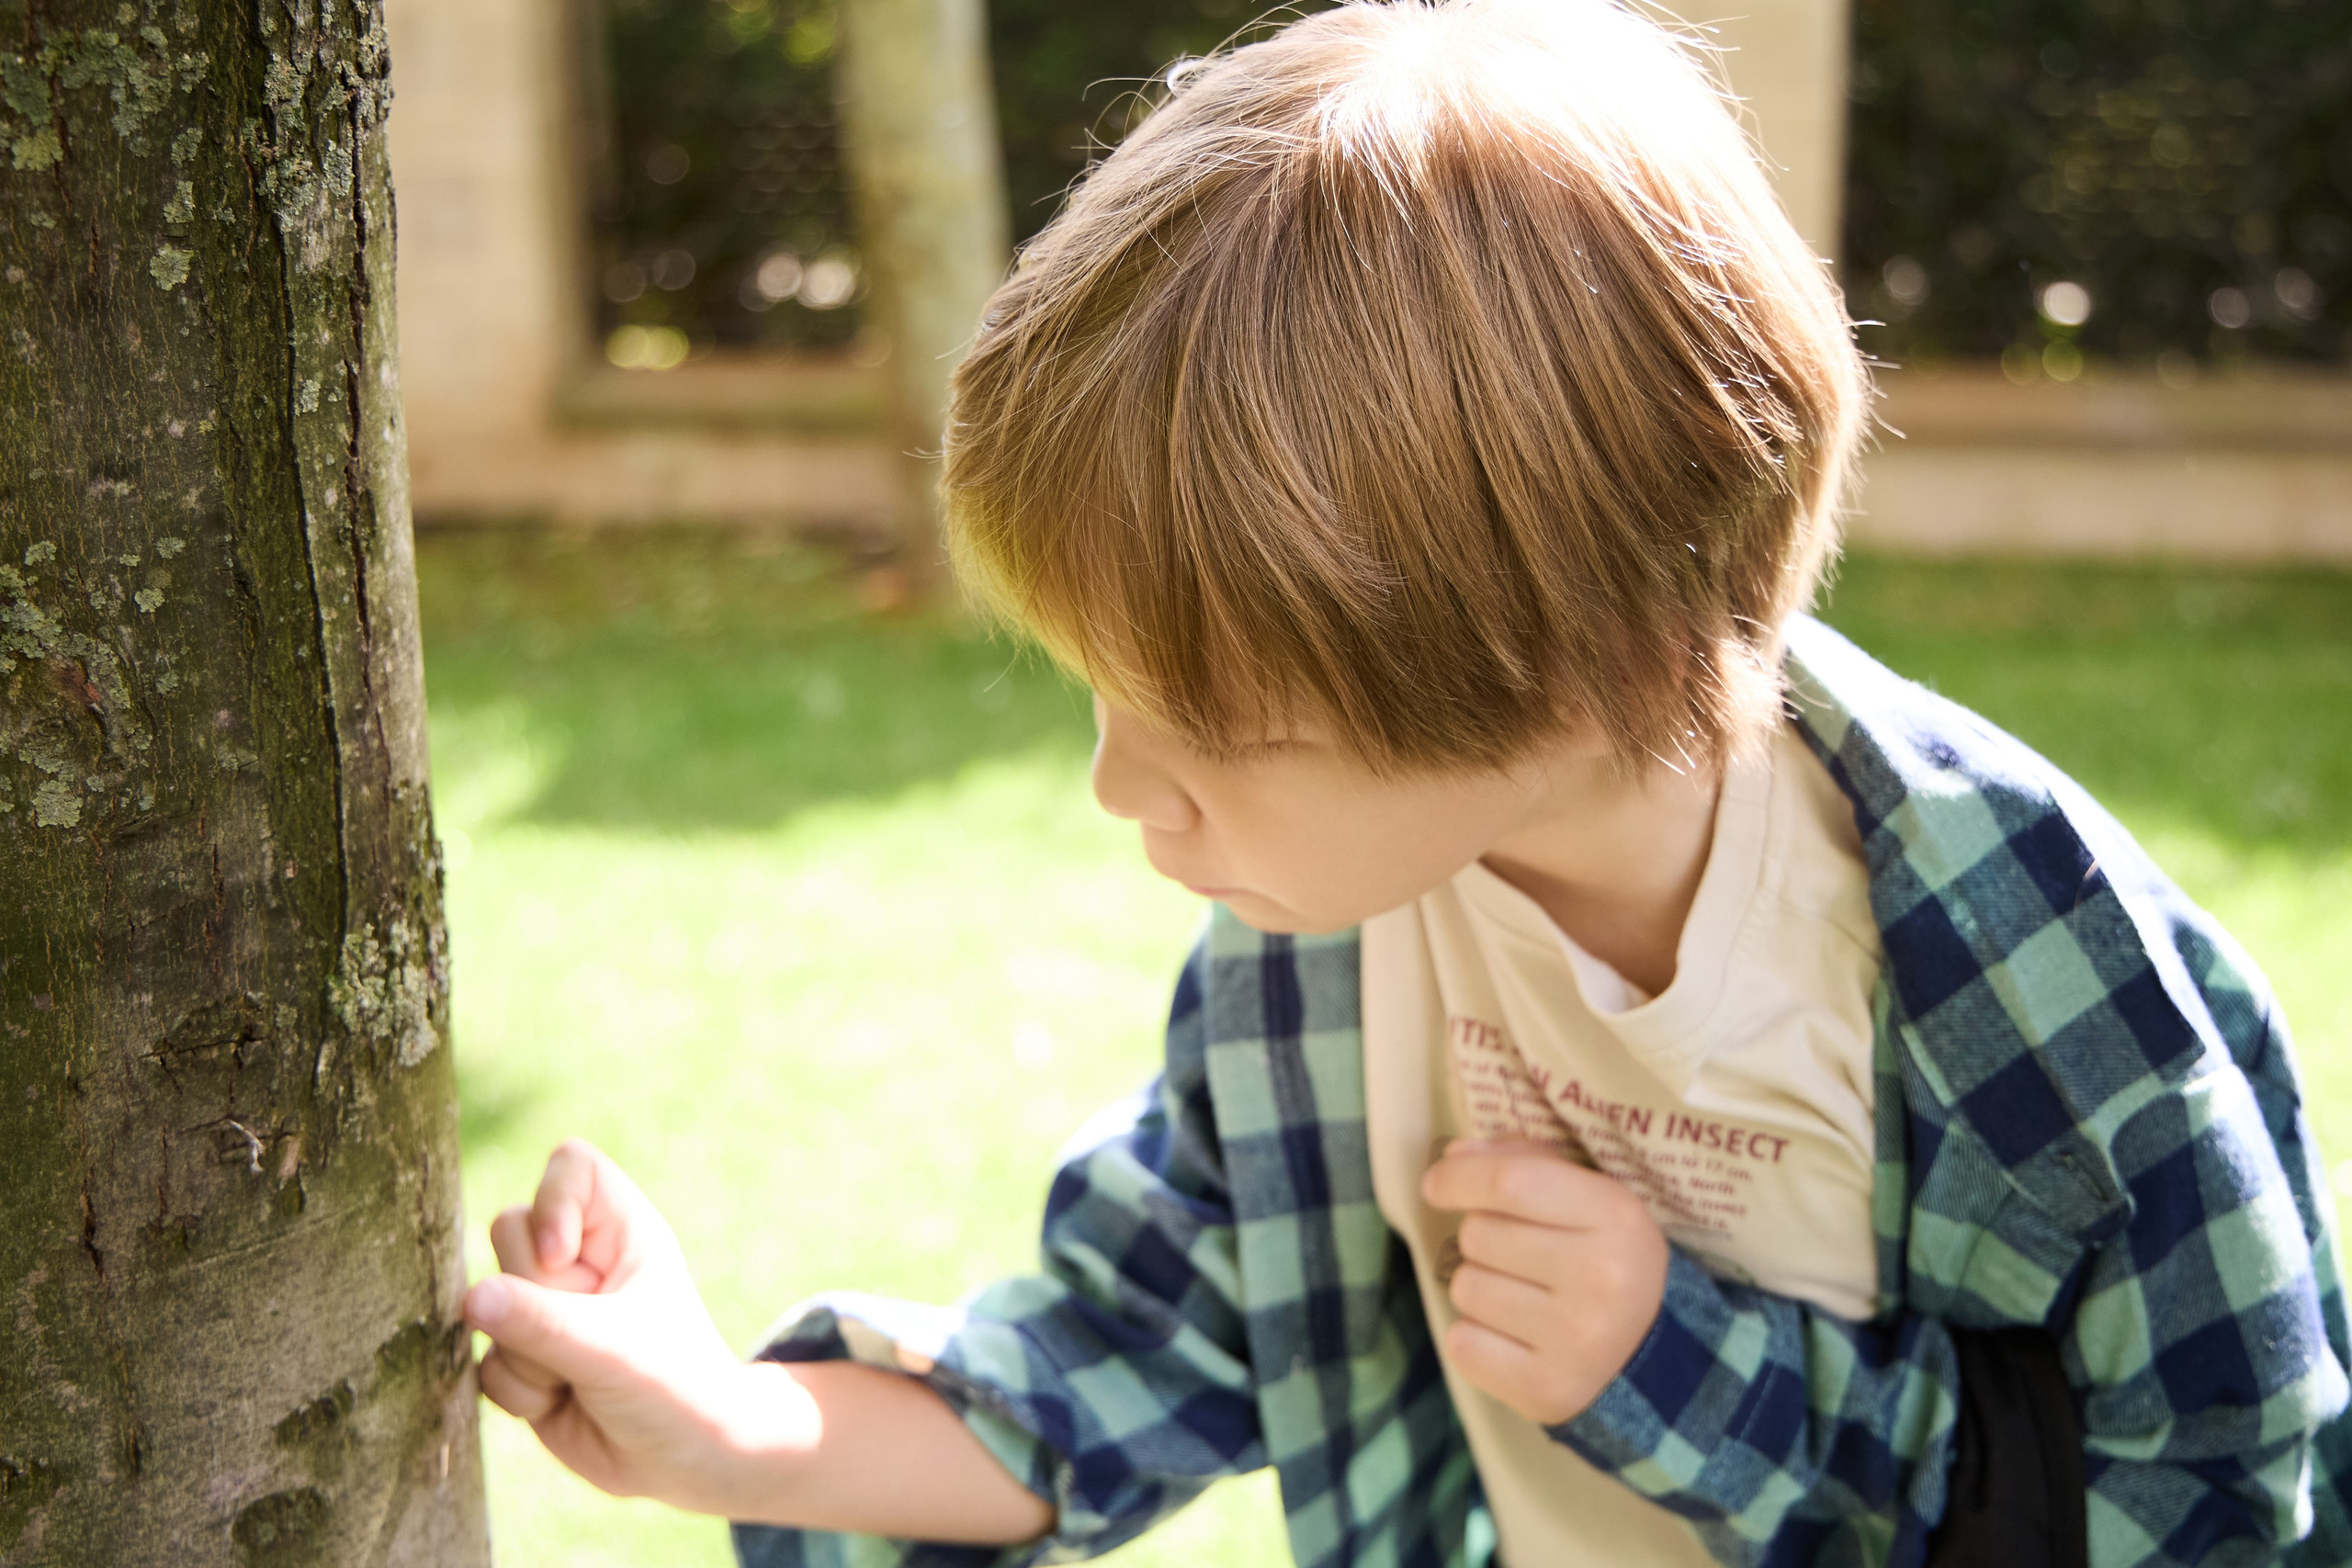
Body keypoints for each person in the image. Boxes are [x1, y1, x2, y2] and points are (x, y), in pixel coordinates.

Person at [458, 2, 2352, 1562]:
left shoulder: (2013, 960)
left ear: (1570, 650)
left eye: (1218, 723)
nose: (1125, 790)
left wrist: (1670, 1359)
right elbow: (1124, 1356)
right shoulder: (1328, 937)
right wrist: (726, 1425)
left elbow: (2224, 1496)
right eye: (1112, 696)